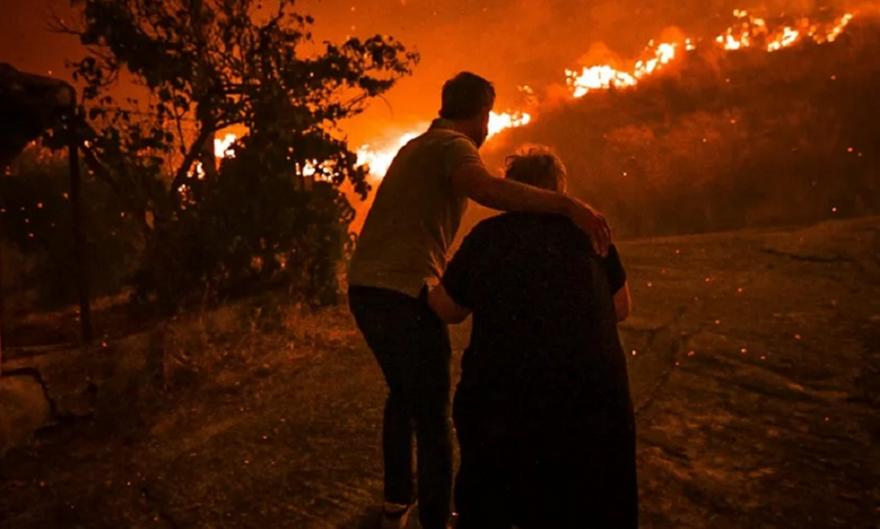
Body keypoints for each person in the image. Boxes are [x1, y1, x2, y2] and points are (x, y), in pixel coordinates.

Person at [348, 72, 612, 529]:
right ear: (481, 115)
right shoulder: (454, 146)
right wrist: (567, 206)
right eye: (488, 116)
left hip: (365, 287)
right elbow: (486, 189)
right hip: (403, 289)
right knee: (433, 415)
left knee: (403, 393)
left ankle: (396, 501)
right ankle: (436, 519)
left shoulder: (416, 146)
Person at [428, 147, 636, 529]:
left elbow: (447, 310)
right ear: (558, 189)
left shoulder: (487, 238)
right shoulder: (587, 232)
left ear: (511, 190)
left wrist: (426, 284)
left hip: (502, 398)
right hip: (591, 398)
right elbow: (621, 308)